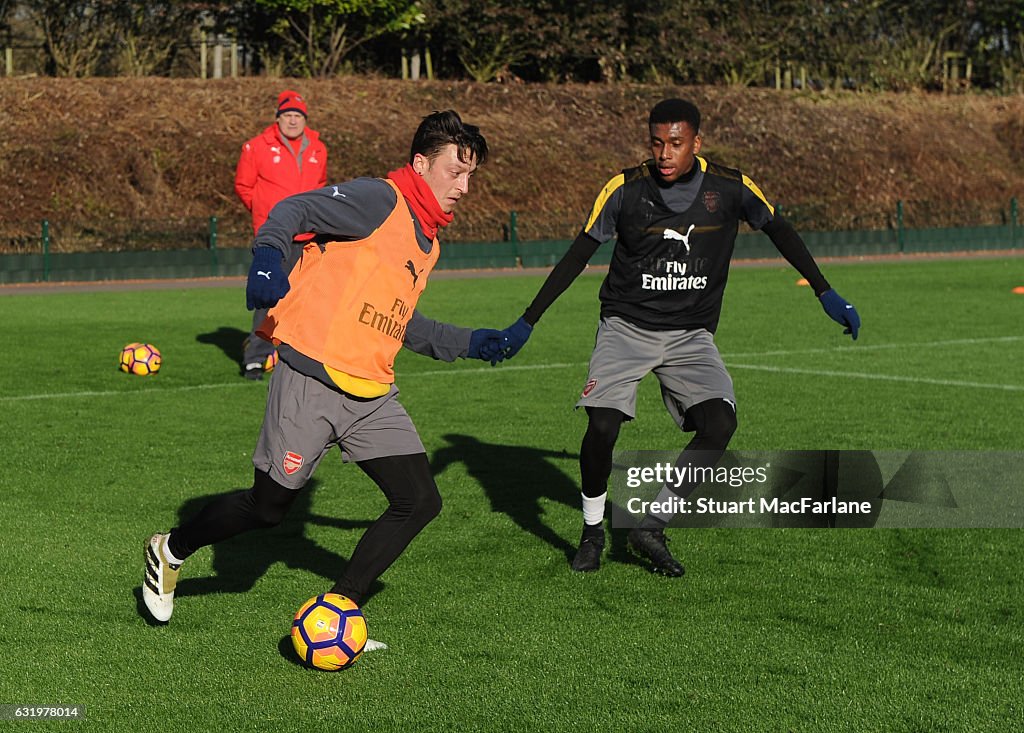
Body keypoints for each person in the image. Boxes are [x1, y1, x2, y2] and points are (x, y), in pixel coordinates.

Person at [144, 111, 504, 646]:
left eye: (470, 176)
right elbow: (292, 208)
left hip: (371, 392)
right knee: (267, 509)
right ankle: (170, 549)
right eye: (456, 171)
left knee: (418, 501)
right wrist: (267, 258)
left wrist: (470, 343)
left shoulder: (429, 240)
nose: (464, 187)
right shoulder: (379, 200)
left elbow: (400, 319)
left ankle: (338, 613)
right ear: (421, 164)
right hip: (311, 374)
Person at [496, 98, 861, 576]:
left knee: (720, 425)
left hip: (690, 335)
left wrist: (825, 292)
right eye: (656, 142)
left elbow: (780, 229)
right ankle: (592, 530)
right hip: (626, 326)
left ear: (696, 142)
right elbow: (578, 253)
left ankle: (651, 525)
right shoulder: (625, 189)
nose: (665, 153)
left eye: (676, 143)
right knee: (602, 426)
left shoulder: (730, 187)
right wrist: (528, 320)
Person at [234, 89, 328, 379]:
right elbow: (244, 186)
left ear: (305, 120)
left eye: (297, 116)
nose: (292, 121)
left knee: (310, 300)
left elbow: (322, 186)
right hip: (274, 239)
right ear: (278, 118)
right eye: (287, 115)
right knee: (268, 298)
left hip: (309, 238)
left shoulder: (318, 148)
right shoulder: (256, 147)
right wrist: (268, 214)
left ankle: (302, 356)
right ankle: (255, 358)